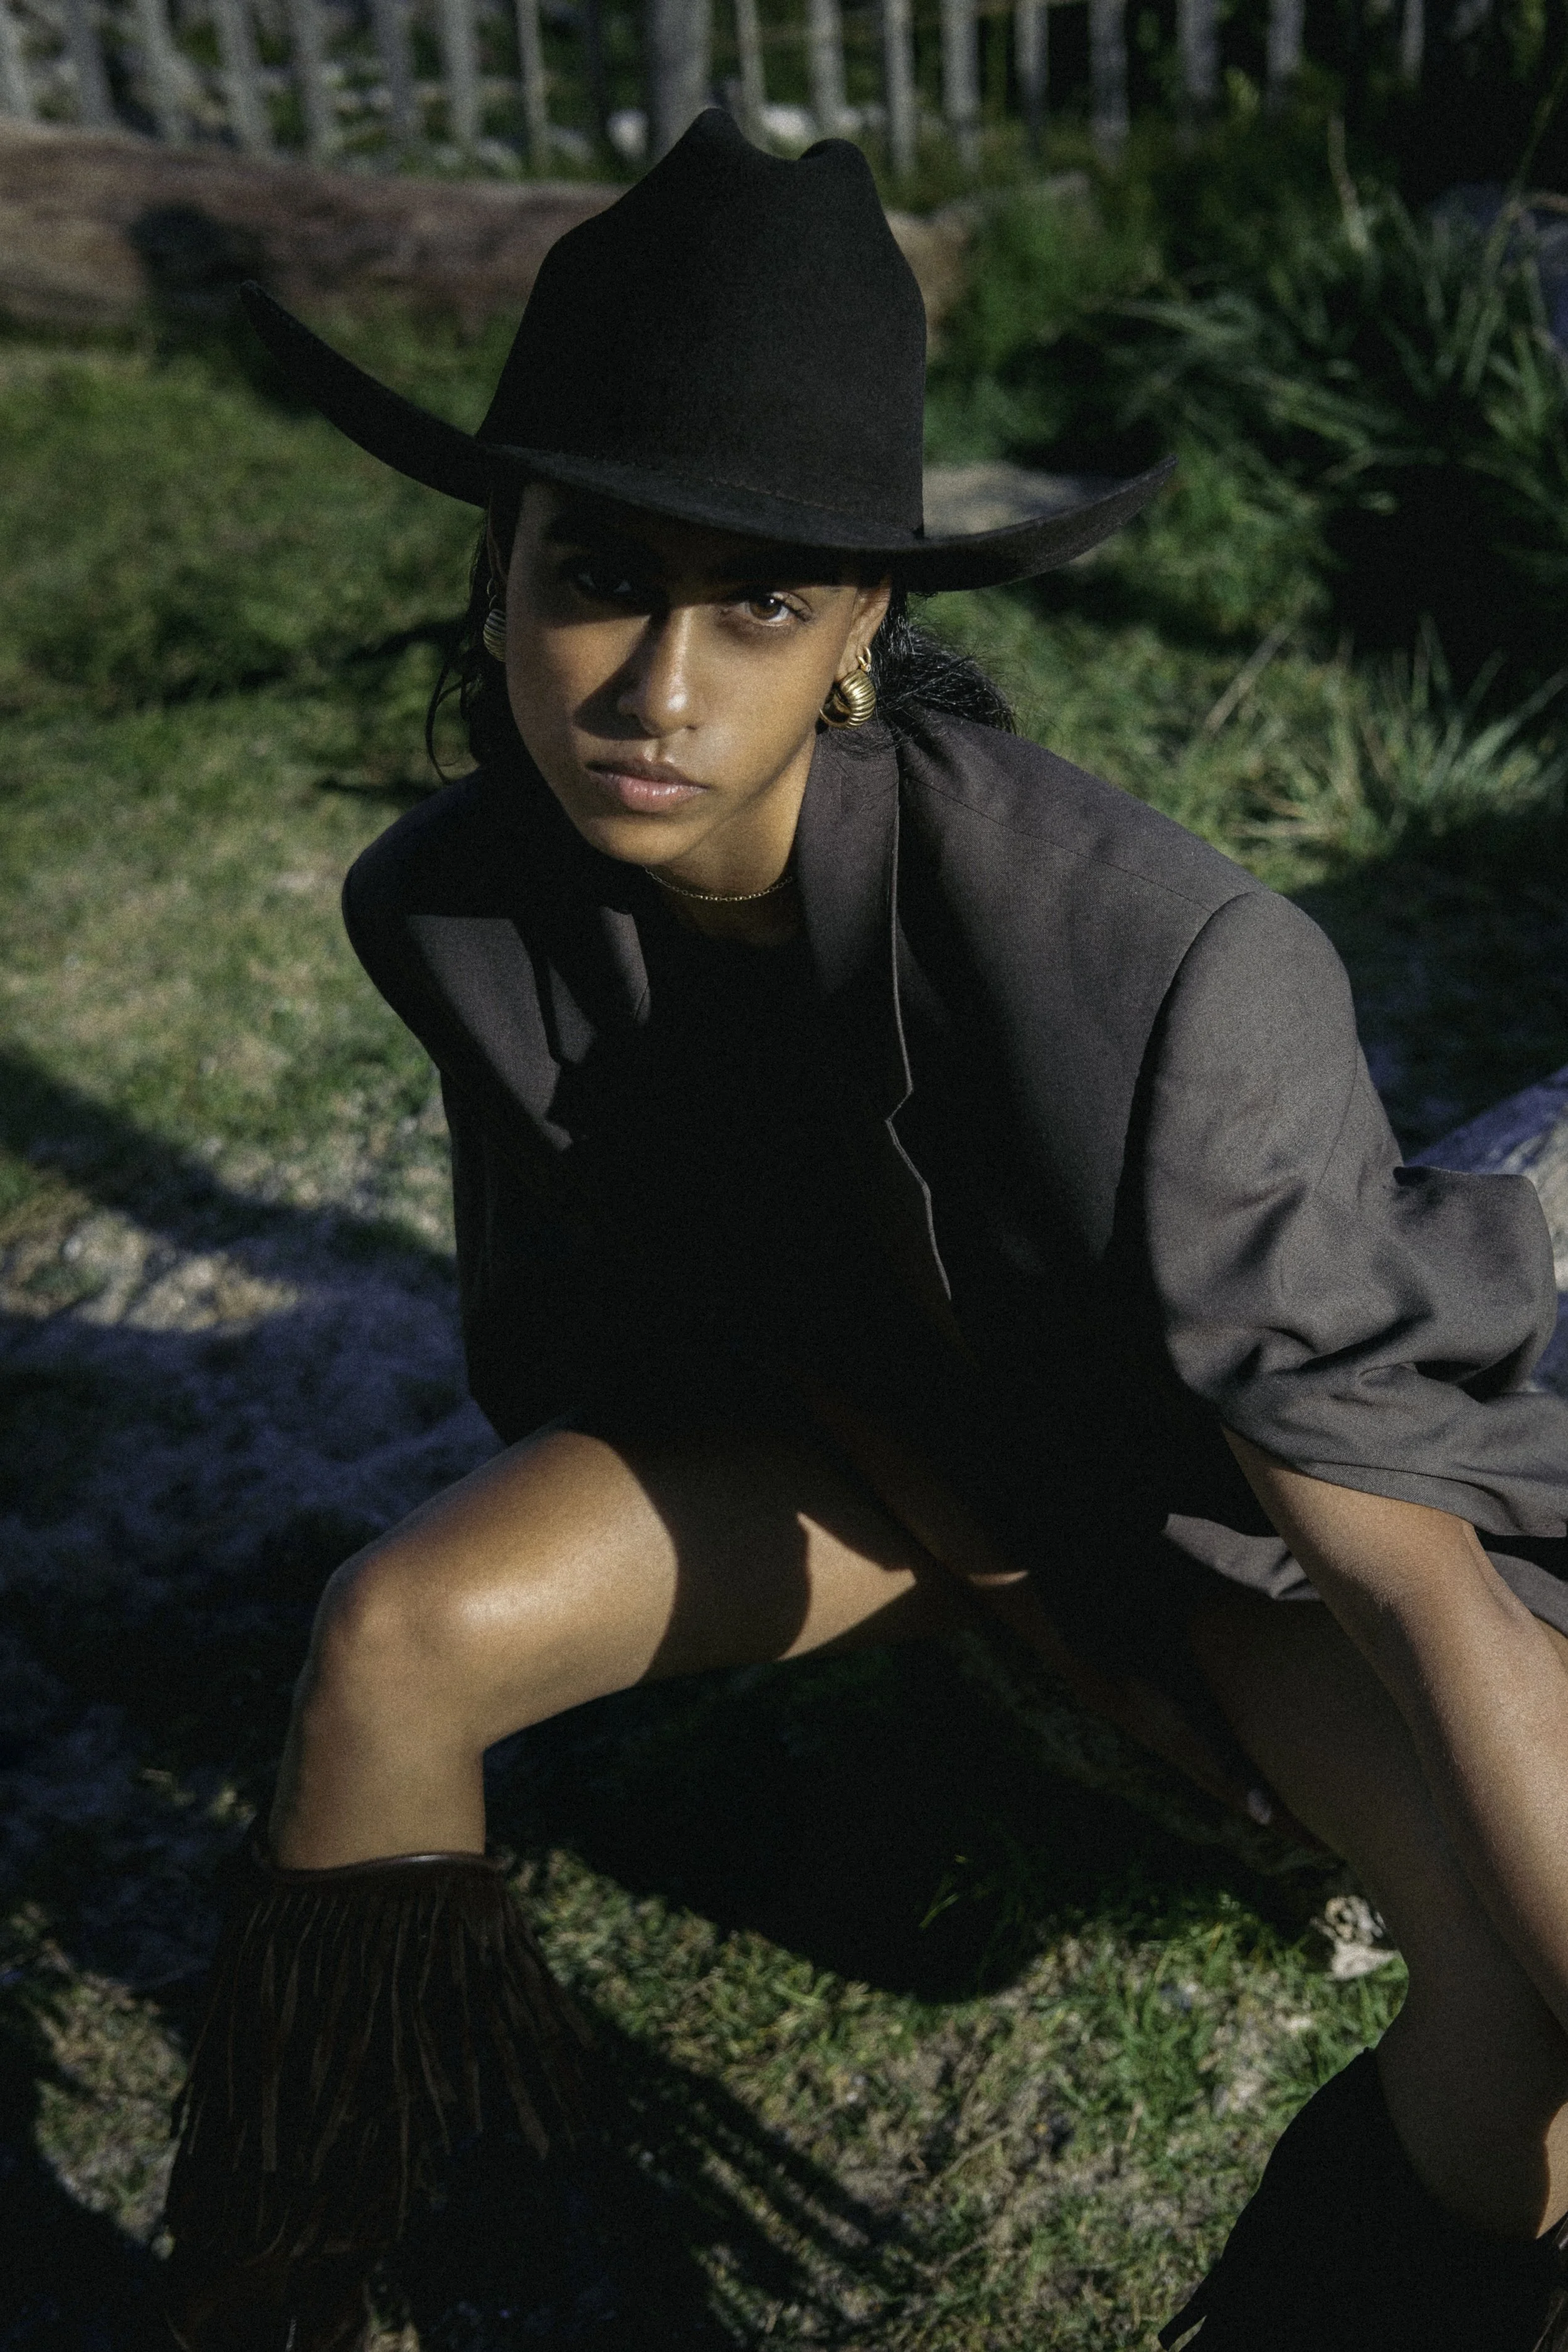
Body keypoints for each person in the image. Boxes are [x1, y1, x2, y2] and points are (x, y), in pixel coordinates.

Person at [162, 110, 1568, 2352]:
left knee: (1522, 2041)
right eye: (594, 571)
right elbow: (666, 1335)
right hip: (882, 1468)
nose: (653, 686)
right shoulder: (453, 909)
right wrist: (984, 1573)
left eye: (759, 602)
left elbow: (1391, 1546)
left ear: (862, 630)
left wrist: (1105, 1627)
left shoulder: (1165, 963)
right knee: (391, 1636)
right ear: (493, 568)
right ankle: (338, 2267)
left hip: (1229, 1513)